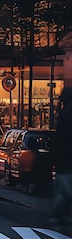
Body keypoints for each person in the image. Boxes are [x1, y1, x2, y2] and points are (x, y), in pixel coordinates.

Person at [51, 86, 72, 226]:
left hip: (65, 161)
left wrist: (54, 158)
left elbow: (59, 138)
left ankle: (59, 215)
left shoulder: (65, 114)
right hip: (66, 159)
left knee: (62, 191)